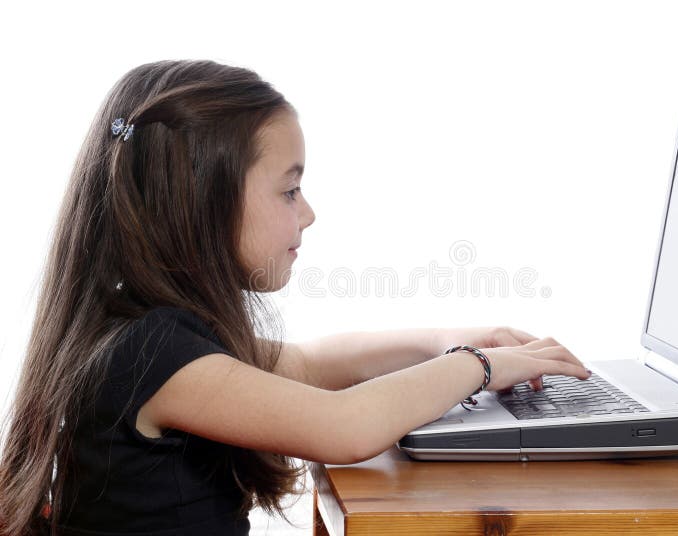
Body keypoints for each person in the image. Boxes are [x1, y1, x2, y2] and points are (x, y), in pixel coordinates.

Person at [0, 59, 591, 536]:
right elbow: (346, 426)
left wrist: (444, 340)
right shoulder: (150, 354)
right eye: (289, 190)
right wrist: (479, 367)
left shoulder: (144, 331)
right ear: (202, 203)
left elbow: (308, 364)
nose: (308, 213)